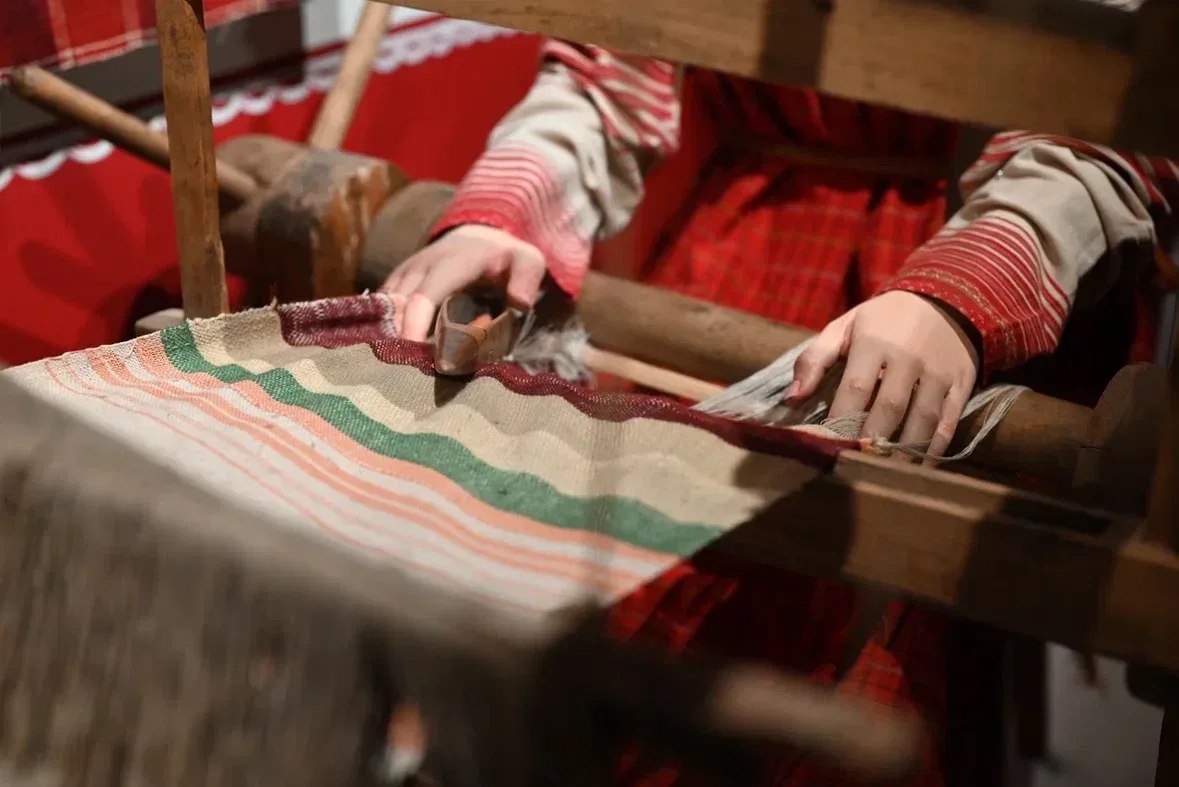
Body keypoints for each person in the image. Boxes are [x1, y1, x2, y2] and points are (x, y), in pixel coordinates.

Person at [382, 42, 1178, 785]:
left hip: (939, 294)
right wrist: (505, 209)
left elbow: (1114, 111)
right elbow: (609, 76)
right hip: (741, 253)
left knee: (885, 664)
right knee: (660, 619)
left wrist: (965, 292)